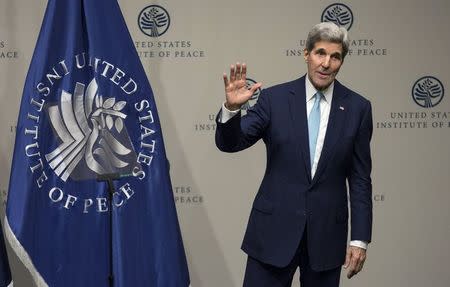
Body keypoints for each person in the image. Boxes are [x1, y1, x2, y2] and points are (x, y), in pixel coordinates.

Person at [215, 22, 373, 287]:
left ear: (342, 61)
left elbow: (360, 178)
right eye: (320, 53)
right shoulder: (274, 100)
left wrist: (359, 239)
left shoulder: (358, 108)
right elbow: (231, 143)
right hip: (272, 234)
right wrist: (231, 110)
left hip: (326, 239)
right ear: (306, 54)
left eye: (335, 57)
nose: (326, 63)